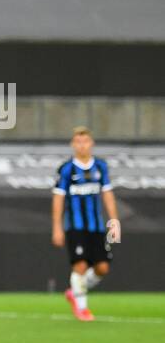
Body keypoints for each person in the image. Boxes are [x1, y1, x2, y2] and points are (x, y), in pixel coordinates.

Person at [52, 128, 120, 322]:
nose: (82, 145)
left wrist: (113, 221)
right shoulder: (66, 169)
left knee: (102, 268)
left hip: (96, 226)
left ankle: (75, 291)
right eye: (78, 142)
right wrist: (57, 226)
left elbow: (107, 193)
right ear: (73, 145)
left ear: (92, 143)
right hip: (75, 225)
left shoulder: (100, 166)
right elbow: (58, 199)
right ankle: (82, 308)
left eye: (85, 141)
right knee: (80, 264)